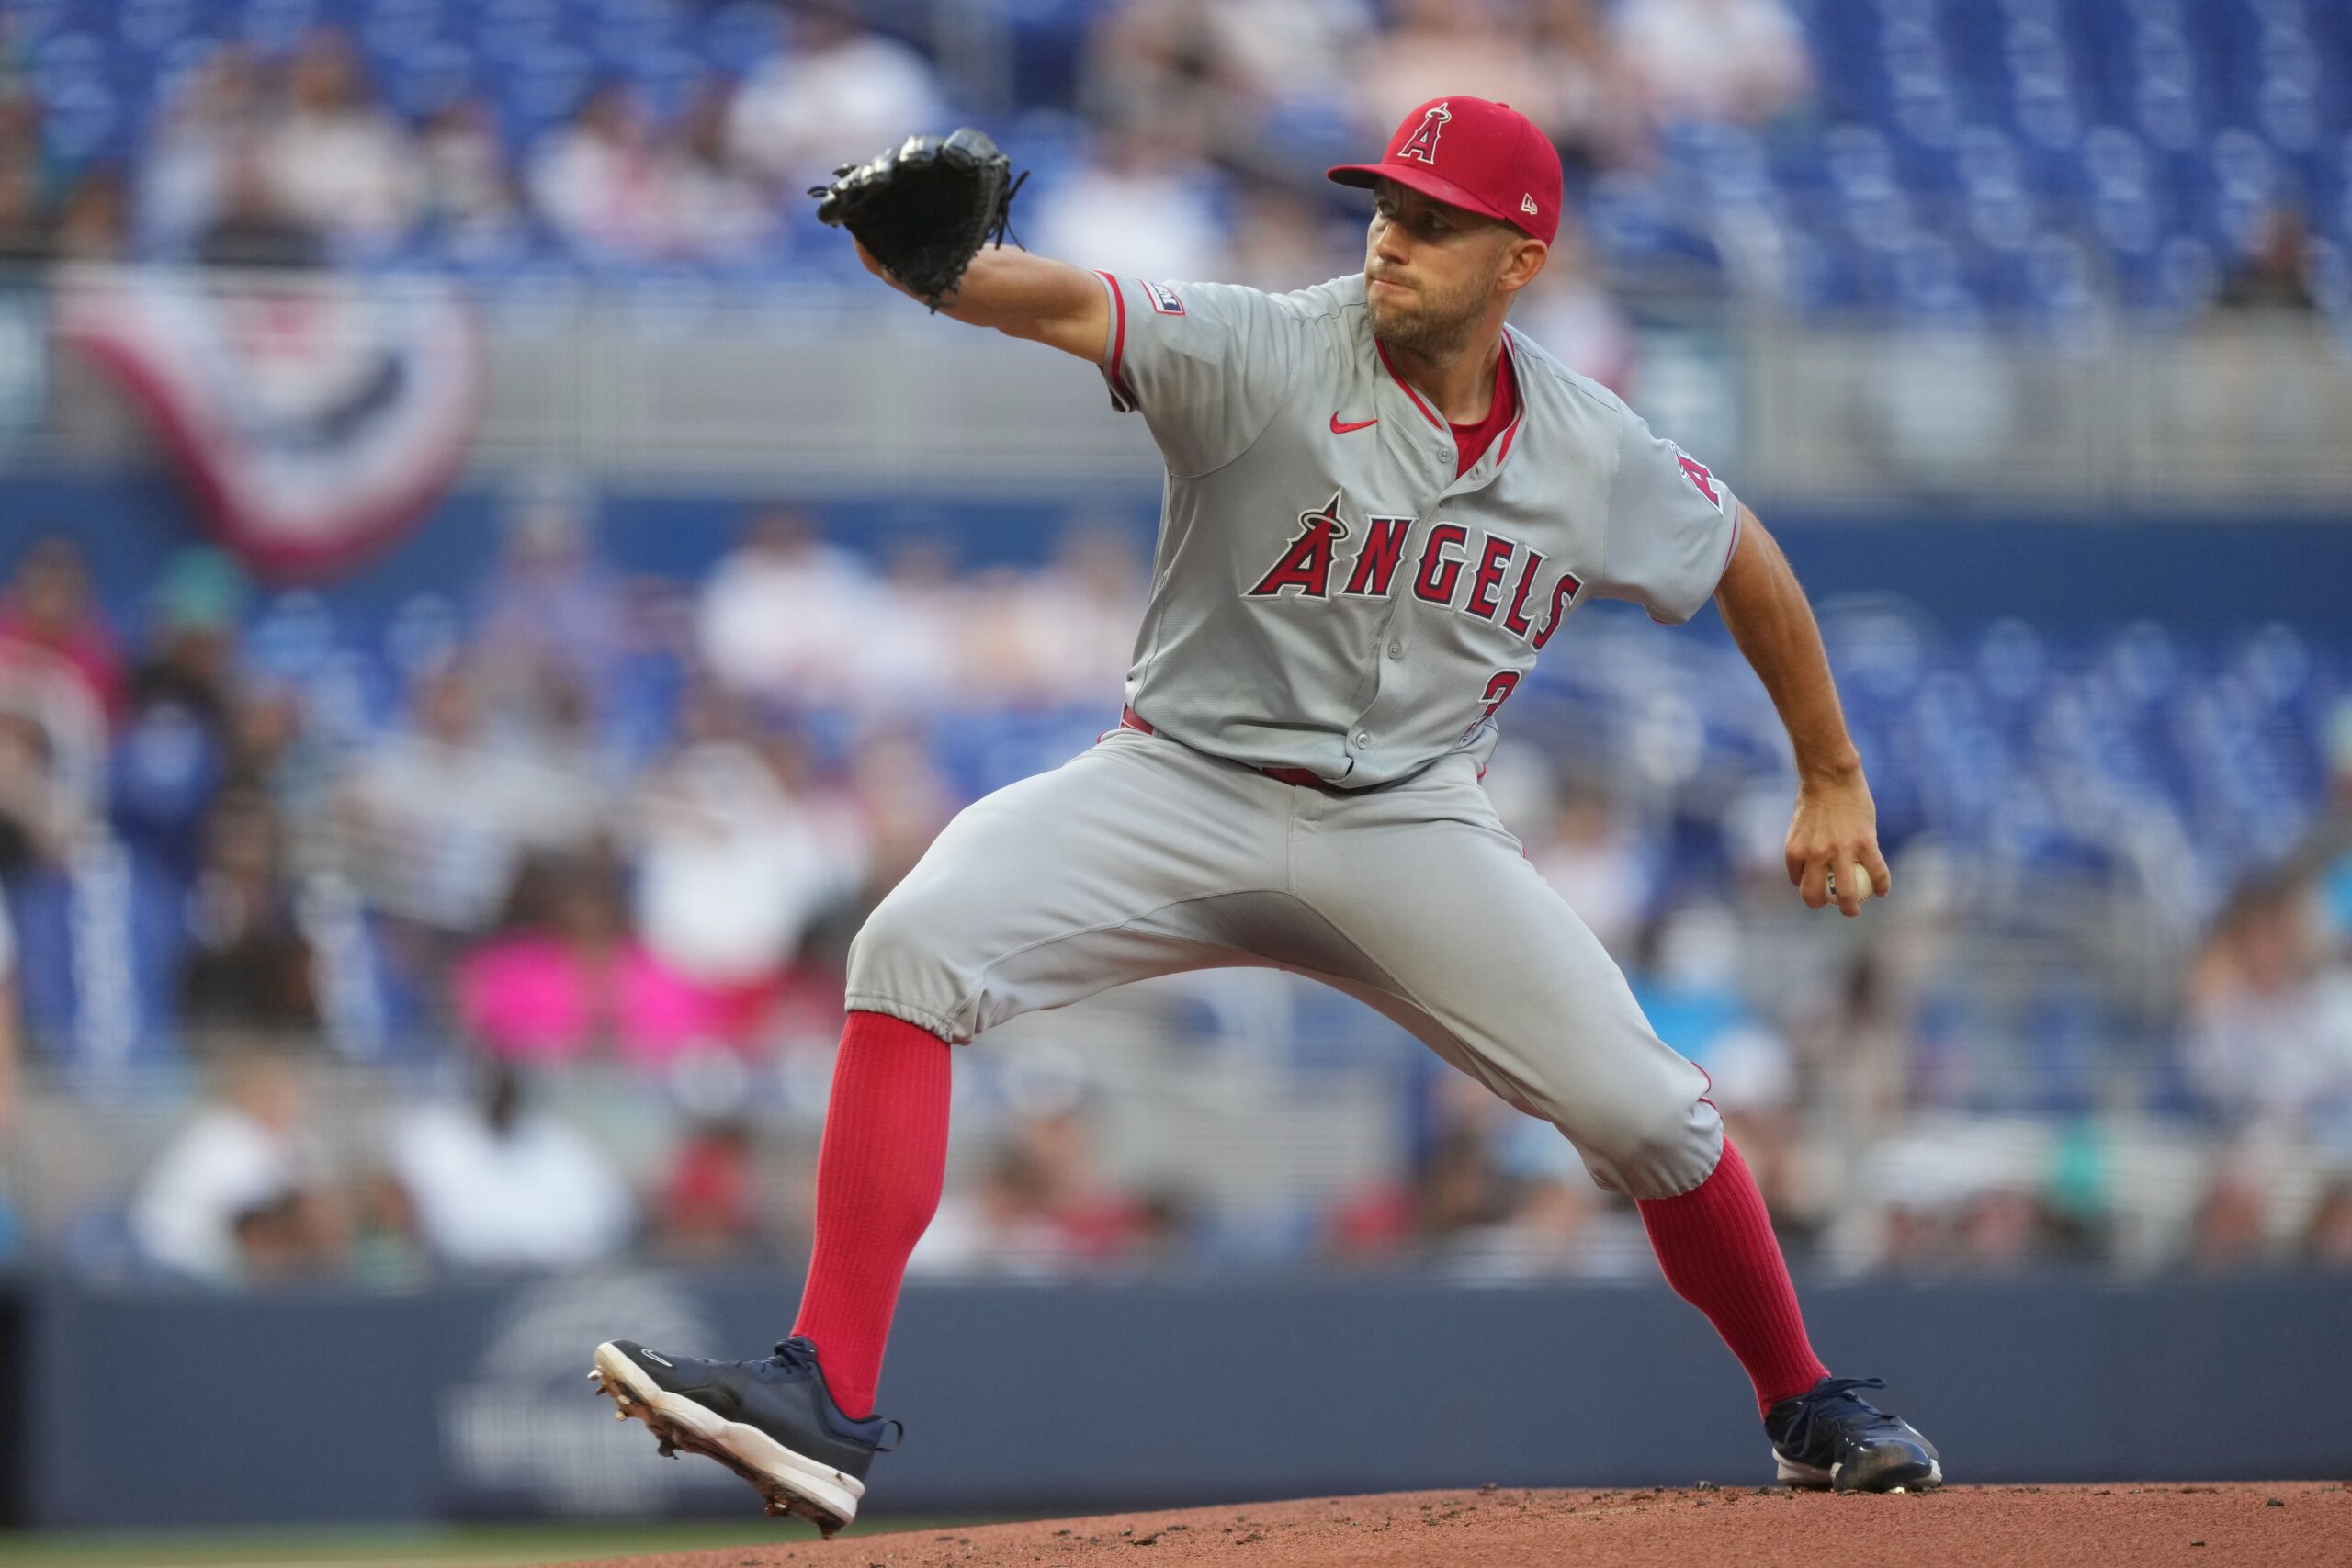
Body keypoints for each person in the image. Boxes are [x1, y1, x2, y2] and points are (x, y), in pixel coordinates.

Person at [593, 96, 1939, 1534]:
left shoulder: (1590, 448)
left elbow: (1742, 555)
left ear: (1519, 259)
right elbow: (1060, 302)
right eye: (1386, 206)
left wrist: (1831, 770)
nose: (1393, 236)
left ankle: (1804, 1398)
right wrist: (940, 272)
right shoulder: (1263, 345)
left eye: (1435, 219)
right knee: (913, 944)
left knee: (1652, 1112)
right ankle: (826, 1399)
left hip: (1411, 824)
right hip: (1181, 782)